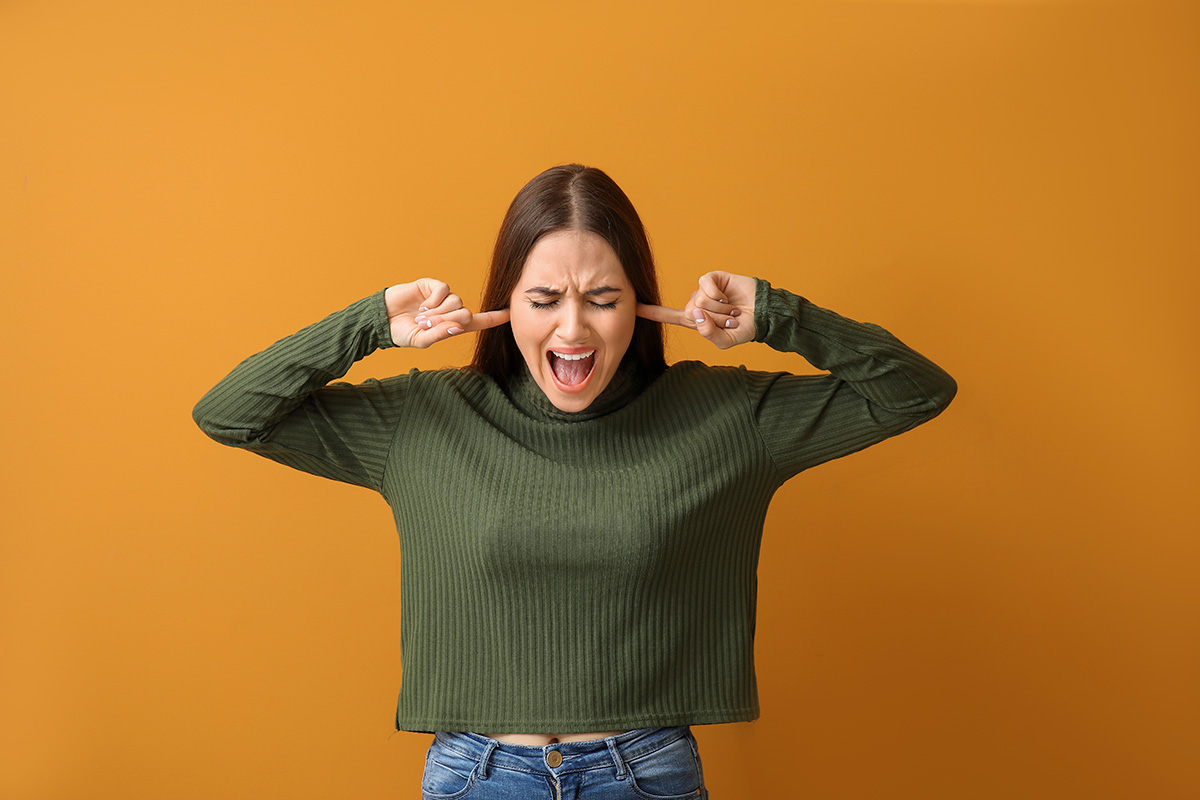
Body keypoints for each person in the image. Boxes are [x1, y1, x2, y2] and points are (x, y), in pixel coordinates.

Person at [193, 164, 956, 799]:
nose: (572, 331)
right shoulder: (424, 420)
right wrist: (369, 324)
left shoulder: (722, 415)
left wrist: (781, 316)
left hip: (646, 772)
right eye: (544, 299)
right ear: (503, 308)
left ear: (642, 306)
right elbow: (231, 414)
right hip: (475, 777)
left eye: (602, 299)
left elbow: (916, 392)